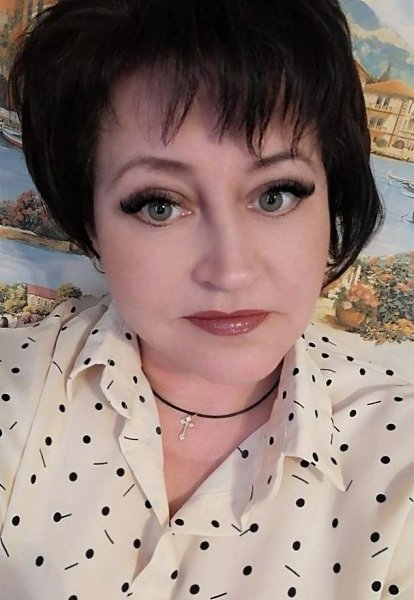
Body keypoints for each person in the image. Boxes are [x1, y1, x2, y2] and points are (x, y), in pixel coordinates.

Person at [0, 0, 413, 598]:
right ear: (91, 225)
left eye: (275, 196)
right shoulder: (16, 394)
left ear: (332, 202)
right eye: (159, 205)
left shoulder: (398, 455)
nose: (231, 271)